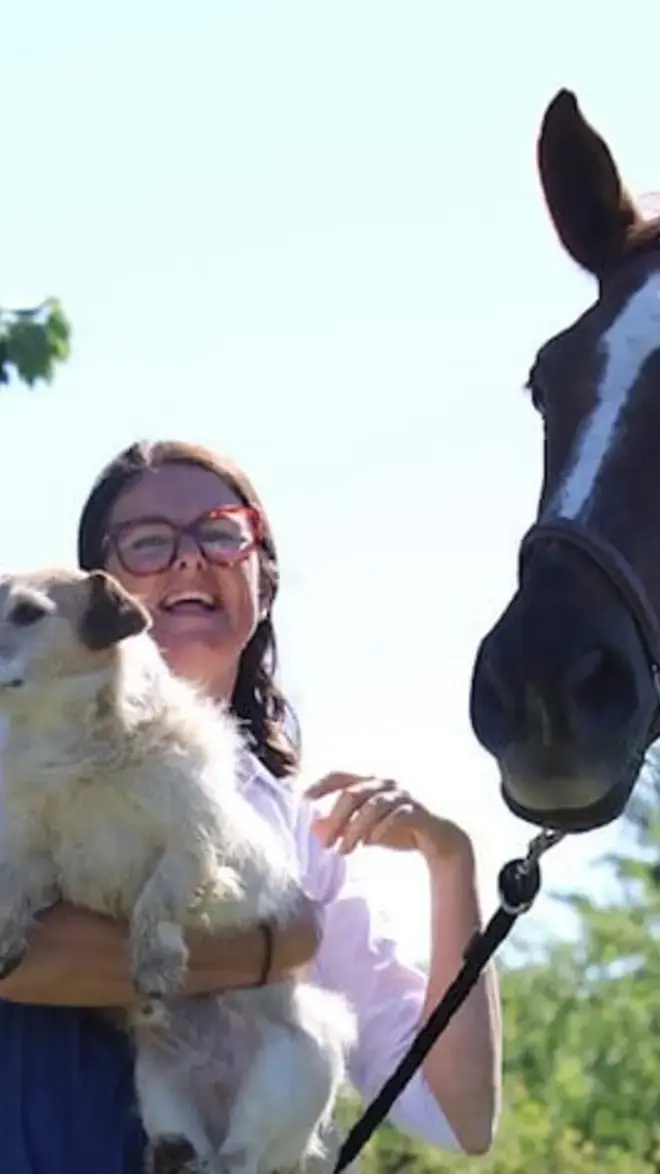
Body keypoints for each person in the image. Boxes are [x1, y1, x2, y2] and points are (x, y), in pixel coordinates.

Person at [0, 440, 501, 1172]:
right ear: (94, 594)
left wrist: (451, 861)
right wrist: (272, 948)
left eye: (221, 532)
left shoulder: (303, 826)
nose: (188, 559)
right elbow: (19, 964)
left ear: (264, 582)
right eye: (148, 541)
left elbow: (460, 1113)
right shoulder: (15, 759)